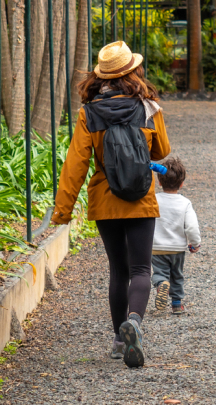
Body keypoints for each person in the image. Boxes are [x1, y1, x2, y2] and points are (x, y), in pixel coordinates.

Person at [52, 41, 170, 369]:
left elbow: (76, 163)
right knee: (141, 269)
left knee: (118, 271)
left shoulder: (88, 113)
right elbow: (161, 151)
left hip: (105, 199)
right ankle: (134, 321)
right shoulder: (148, 107)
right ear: (133, 71)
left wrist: (63, 210)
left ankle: (120, 339)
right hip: (141, 198)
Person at [150, 156, 200, 315]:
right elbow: (191, 226)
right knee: (177, 275)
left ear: (159, 182)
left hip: (156, 246)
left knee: (159, 272)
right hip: (177, 248)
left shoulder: (154, 200)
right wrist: (194, 243)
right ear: (182, 183)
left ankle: (161, 284)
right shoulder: (184, 203)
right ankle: (177, 304)